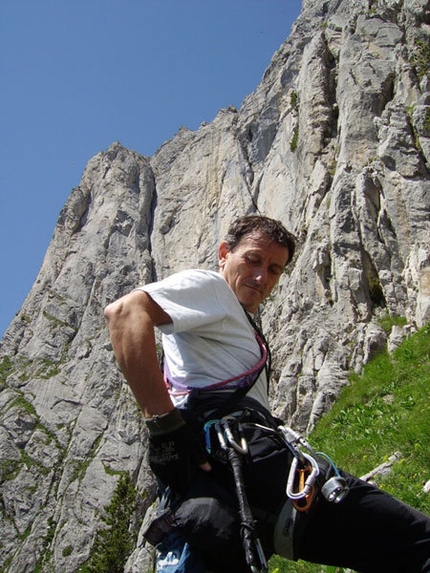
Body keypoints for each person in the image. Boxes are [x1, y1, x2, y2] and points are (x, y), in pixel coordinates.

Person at [104, 215, 430, 573]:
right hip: (254, 468)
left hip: (232, 485)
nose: (262, 278)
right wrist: (165, 427)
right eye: (254, 260)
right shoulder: (212, 288)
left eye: (275, 269)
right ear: (224, 253)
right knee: (417, 543)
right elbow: (124, 312)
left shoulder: (227, 317)